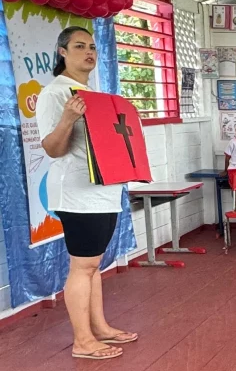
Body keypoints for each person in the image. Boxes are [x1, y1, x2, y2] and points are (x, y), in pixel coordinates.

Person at [36, 26, 136, 360]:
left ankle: (100, 327)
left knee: (93, 265)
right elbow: (52, 148)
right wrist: (67, 118)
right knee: (83, 266)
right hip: (77, 192)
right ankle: (82, 341)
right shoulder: (56, 93)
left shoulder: (89, 92)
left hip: (103, 189)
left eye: (92, 46)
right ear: (62, 52)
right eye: (79, 46)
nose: (89, 52)